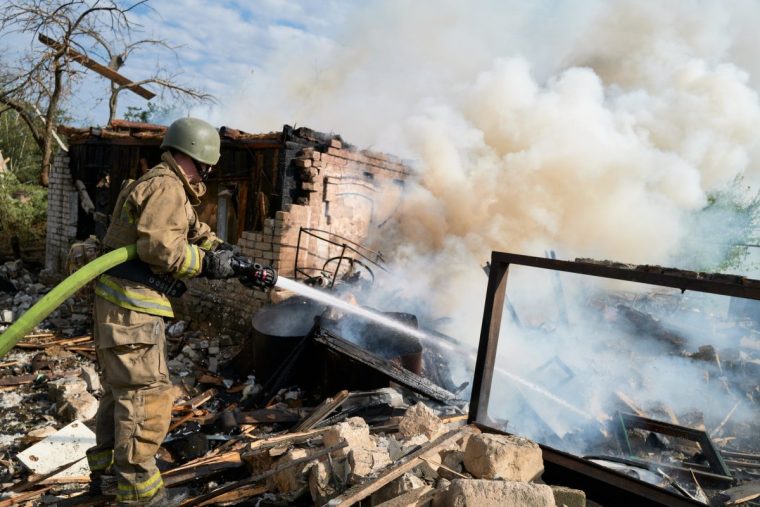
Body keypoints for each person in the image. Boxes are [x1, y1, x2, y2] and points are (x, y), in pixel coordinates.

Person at [85, 117, 240, 506]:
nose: (206, 174)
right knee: (147, 399)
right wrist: (206, 265)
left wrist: (225, 253)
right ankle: (140, 494)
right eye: (207, 166)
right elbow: (160, 247)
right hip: (132, 311)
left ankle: (107, 478)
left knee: (120, 395)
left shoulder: (163, 184)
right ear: (199, 159)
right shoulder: (167, 187)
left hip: (120, 309)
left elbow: (189, 230)